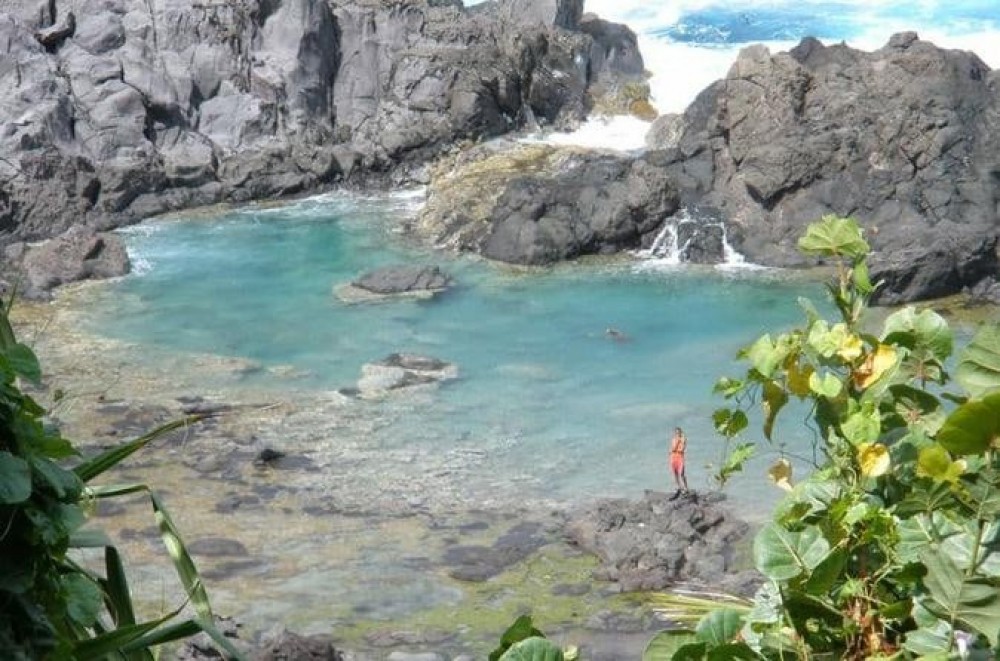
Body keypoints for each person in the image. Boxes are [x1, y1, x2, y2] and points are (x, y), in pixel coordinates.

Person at [669, 426, 689, 493]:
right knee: (675, 473)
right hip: (673, 456)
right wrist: (678, 441)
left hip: (680, 456)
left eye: (679, 432)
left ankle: (686, 487)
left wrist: (681, 440)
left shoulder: (683, 439)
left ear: (681, 432)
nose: (678, 434)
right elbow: (673, 448)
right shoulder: (674, 439)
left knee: (682, 473)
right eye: (676, 433)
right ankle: (679, 487)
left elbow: (682, 449)